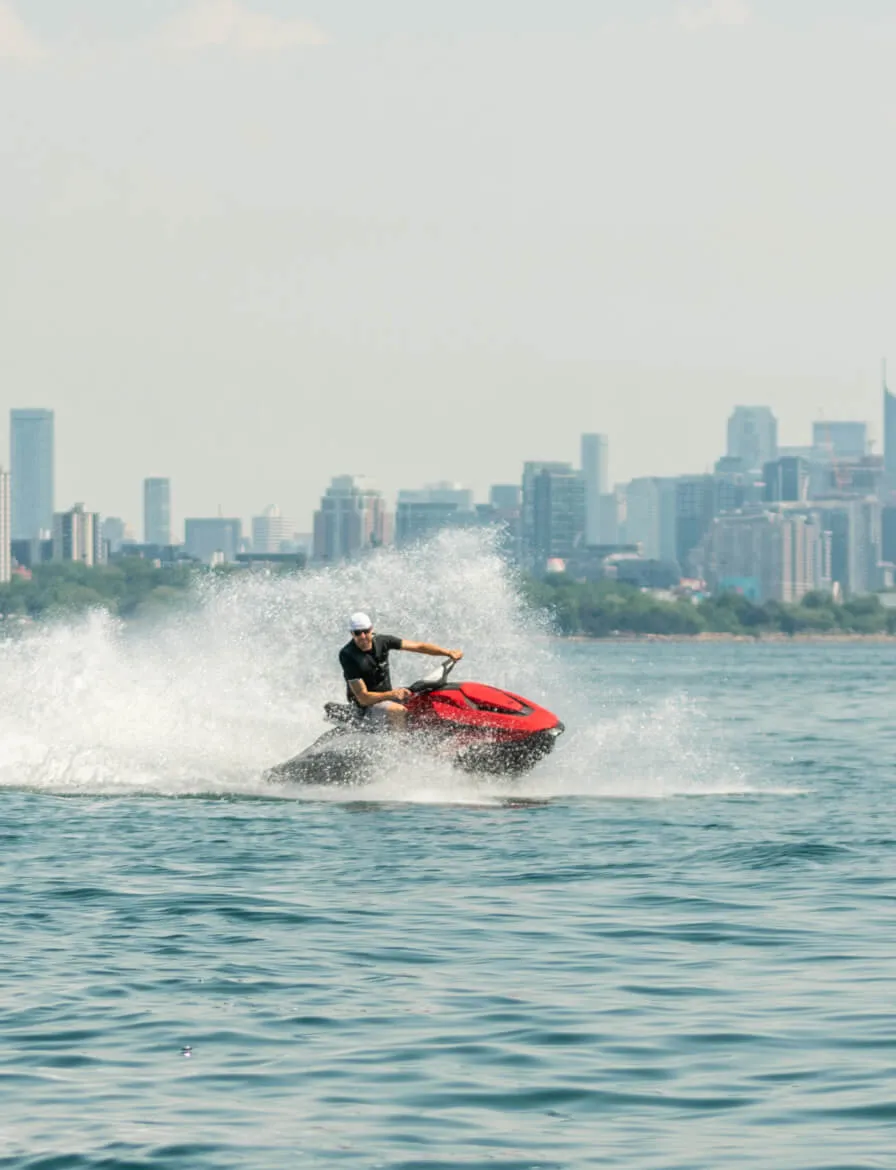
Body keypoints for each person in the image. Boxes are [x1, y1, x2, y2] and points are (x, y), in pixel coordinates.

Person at [339, 611, 463, 729]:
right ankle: (400, 742)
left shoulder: (382, 641)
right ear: (352, 633)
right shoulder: (348, 655)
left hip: (387, 697)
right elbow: (363, 698)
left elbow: (419, 646)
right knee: (398, 710)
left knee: (423, 696)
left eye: (366, 631)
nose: (363, 636)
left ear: (371, 629)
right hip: (366, 707)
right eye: (357, 633)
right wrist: (391, 694)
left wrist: (448, 653)